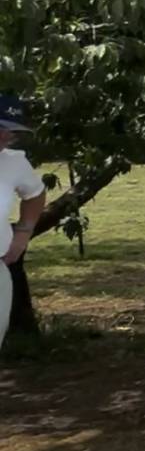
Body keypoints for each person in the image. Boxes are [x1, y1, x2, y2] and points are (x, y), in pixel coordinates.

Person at [1, 94, 46, 350]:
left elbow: (35, 195)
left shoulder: (14, 162)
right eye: (0, 128)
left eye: (11, 131)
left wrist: (22, 235)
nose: (4, 137)